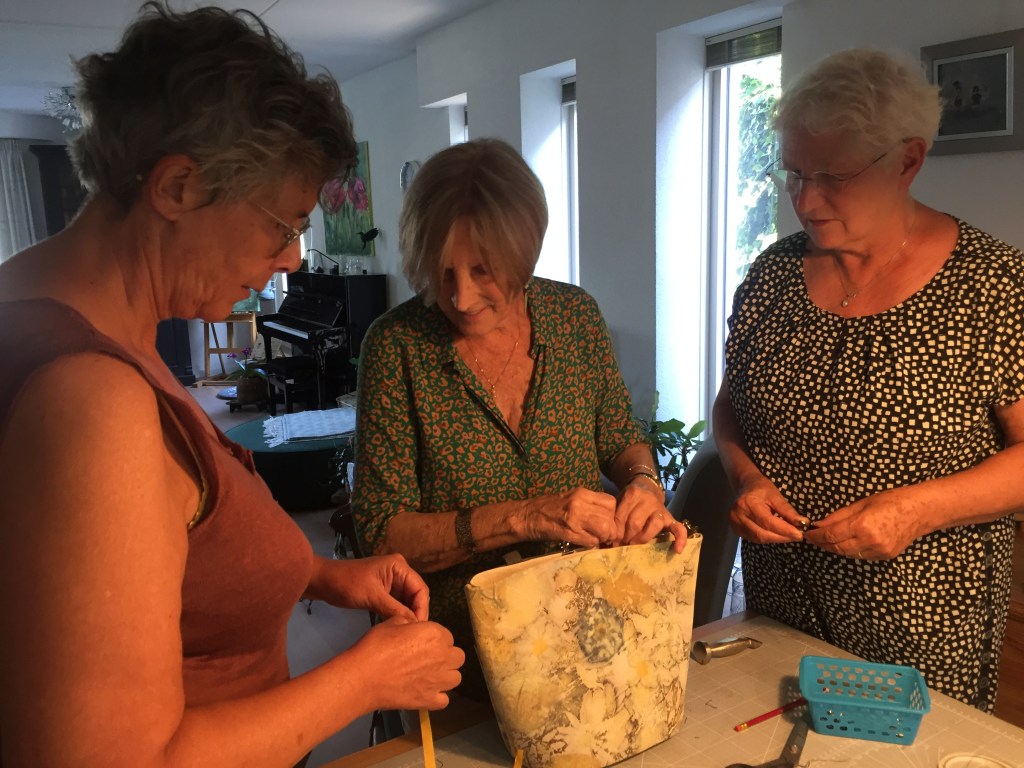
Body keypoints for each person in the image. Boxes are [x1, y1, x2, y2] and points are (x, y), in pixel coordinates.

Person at [0, 4, 463, 767]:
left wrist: (317, 574)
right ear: (179, 187)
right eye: (284, 225)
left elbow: (158, 556)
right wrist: (366, 679)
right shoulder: (92, 400)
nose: (292, 258)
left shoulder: (59, 315)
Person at [714, 47, 1024, 713]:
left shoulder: (992, 285)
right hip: (783, 607)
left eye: (833, 176)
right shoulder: (773, 275)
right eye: (794, 173)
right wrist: (745, 478)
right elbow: (729, 406)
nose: (806, 200)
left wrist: (917, 510)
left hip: (922, 623)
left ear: (907, 160)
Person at [352, 137, 689, 700]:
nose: (460, 298)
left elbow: (621, 439)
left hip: (588, 633)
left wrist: (643, 484)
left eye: (483, 270)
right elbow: (383, 533)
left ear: (523, 253)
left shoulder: (574, 317)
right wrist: (527, 517)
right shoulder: (397, 347)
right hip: (458, 653)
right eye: (442, 272)